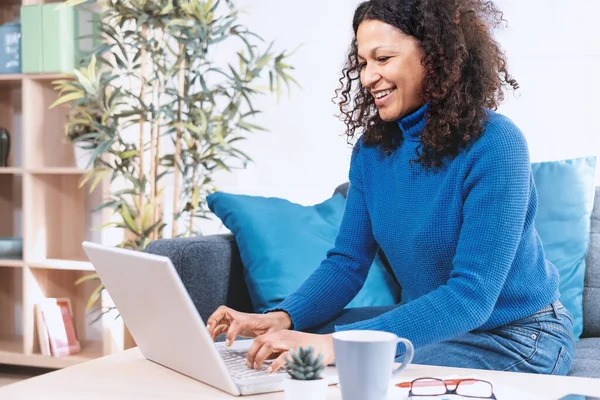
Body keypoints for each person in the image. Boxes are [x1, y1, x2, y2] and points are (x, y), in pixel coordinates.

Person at [207, 0, 575, 376]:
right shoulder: (372, 150)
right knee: (277, 345)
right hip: (442, 329)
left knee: (333, 361)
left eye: (382, 59)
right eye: (363, 62)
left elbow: (470, 298)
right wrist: (285, 318)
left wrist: (333, 346)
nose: (367, 77)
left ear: (435, 57)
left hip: (517, 337)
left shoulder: (496, 144)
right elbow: (348, 263)